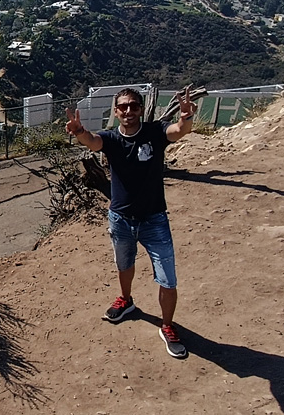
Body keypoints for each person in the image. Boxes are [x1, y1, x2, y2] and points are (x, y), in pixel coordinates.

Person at [64, 87, 197, 358]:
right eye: (123, 107)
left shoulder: (155, 132)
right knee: (124, 264)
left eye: (133, 106)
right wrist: (78, 132)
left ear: (140, 109)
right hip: (121, 218)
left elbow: (178, 132)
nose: (128, 111)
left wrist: (185, 118)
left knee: (168, 280)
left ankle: (167, 326)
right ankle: (126, 300)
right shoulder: (111, 139)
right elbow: (92, 142)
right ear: (116, 111)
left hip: (154, 219)